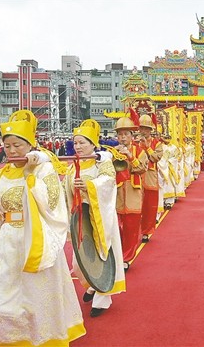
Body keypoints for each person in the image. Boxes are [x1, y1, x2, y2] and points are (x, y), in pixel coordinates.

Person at [0, 110, 85, 345]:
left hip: (35, 237)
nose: (12, 151)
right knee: (3, 289)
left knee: (35, 292)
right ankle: (10, 336)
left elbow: (53, 202)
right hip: (7, 240)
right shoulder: (1, 174)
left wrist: (32, 175)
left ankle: (43, 335)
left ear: (30, 144)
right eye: (8, 146)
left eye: (17, 145)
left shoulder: (44, 168)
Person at [64, 119, 125, 318]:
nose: (78, 146)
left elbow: (109, 182)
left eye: (82, 142)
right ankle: (93, 285)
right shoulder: (73, 167)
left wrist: (90, 185)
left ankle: (103, 297)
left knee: (101, 254)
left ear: (93, 143)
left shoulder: (103, 162)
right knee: (79, 261)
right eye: (76, 143)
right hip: (80, 219)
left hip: (99, 217)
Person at [114, 113, 148, 271]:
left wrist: (130, 157)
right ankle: (117, 255)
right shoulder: (112, 152)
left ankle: (127, 258)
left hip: (133, 192)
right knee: (116, 226)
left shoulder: (139, 150)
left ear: (131, 135)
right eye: (120, 134)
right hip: (116, 193)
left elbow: (142, 168)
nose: (122, 138)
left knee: (131, 226)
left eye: (126, 134)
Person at [139, 114, 163, 243]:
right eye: (142, 128)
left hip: (150, 176)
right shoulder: (134, 141)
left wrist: (147, 147)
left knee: (149, 205)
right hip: (136, 177)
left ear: (150, 130)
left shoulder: (157, 144)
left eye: (146, 129)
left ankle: (146, 231)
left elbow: (156, 158)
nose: (143, 131)